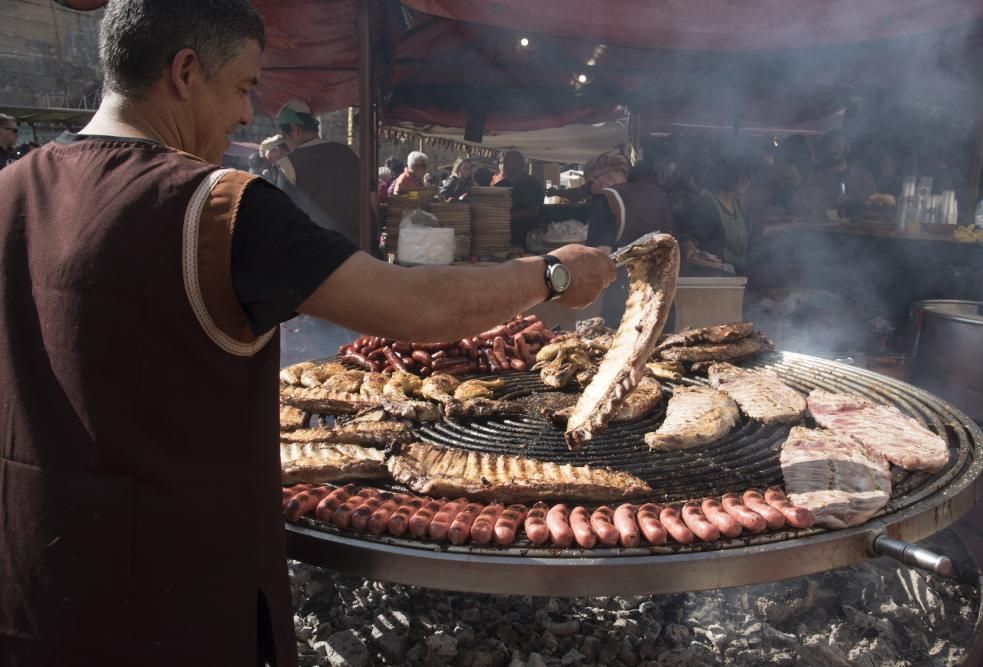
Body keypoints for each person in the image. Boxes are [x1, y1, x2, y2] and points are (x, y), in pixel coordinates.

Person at [0, 2, 616, 665]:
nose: (245, 114)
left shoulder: (10, 188)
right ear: (184, 71)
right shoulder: (221, 207)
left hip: (32, 590)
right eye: (241, 86)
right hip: (172, 607)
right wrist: (549, 274)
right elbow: (413, 305)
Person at [585, 152, 676, 325]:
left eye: (588, 185)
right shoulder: (657, 194)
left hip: (625, 301)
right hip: (663, 298)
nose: (590, 190)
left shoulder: (604, 199)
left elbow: (600, 256)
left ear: (595, 180)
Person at [273, 99, 362, 246]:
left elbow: (285, 220)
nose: (286, 142)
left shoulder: (287, 165)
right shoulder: (347, 153)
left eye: (284, 136)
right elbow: (369, 199)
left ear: (295, 129)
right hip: (357, 250)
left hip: (317, 255)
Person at [679, 155, 754, 273]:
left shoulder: (735, 203)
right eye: (744, 178)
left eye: (748, 178)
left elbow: (749, 230)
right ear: (732, 179)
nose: (747, 182)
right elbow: (689, 236)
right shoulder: (707, 205)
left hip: (737, 276)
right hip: (716, 276)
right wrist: (689, 249)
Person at [793, 129, 876, 217]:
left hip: (857, 229)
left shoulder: (863, 177)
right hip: (821, 229)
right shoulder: (813, 177)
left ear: (847, 147)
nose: (832, 149)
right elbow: (797, 207)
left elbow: (873, 207)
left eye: (837, 144)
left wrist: (853, 205)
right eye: (828, 146)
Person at [493, 150, 544, 247]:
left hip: (527, 236)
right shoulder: (501, 186)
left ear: (521, 167)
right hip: (503, 235)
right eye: (506, 168)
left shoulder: (533, 184)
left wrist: (510, 216)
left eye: (512, 169)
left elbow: (534, 210)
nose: (508, 172)